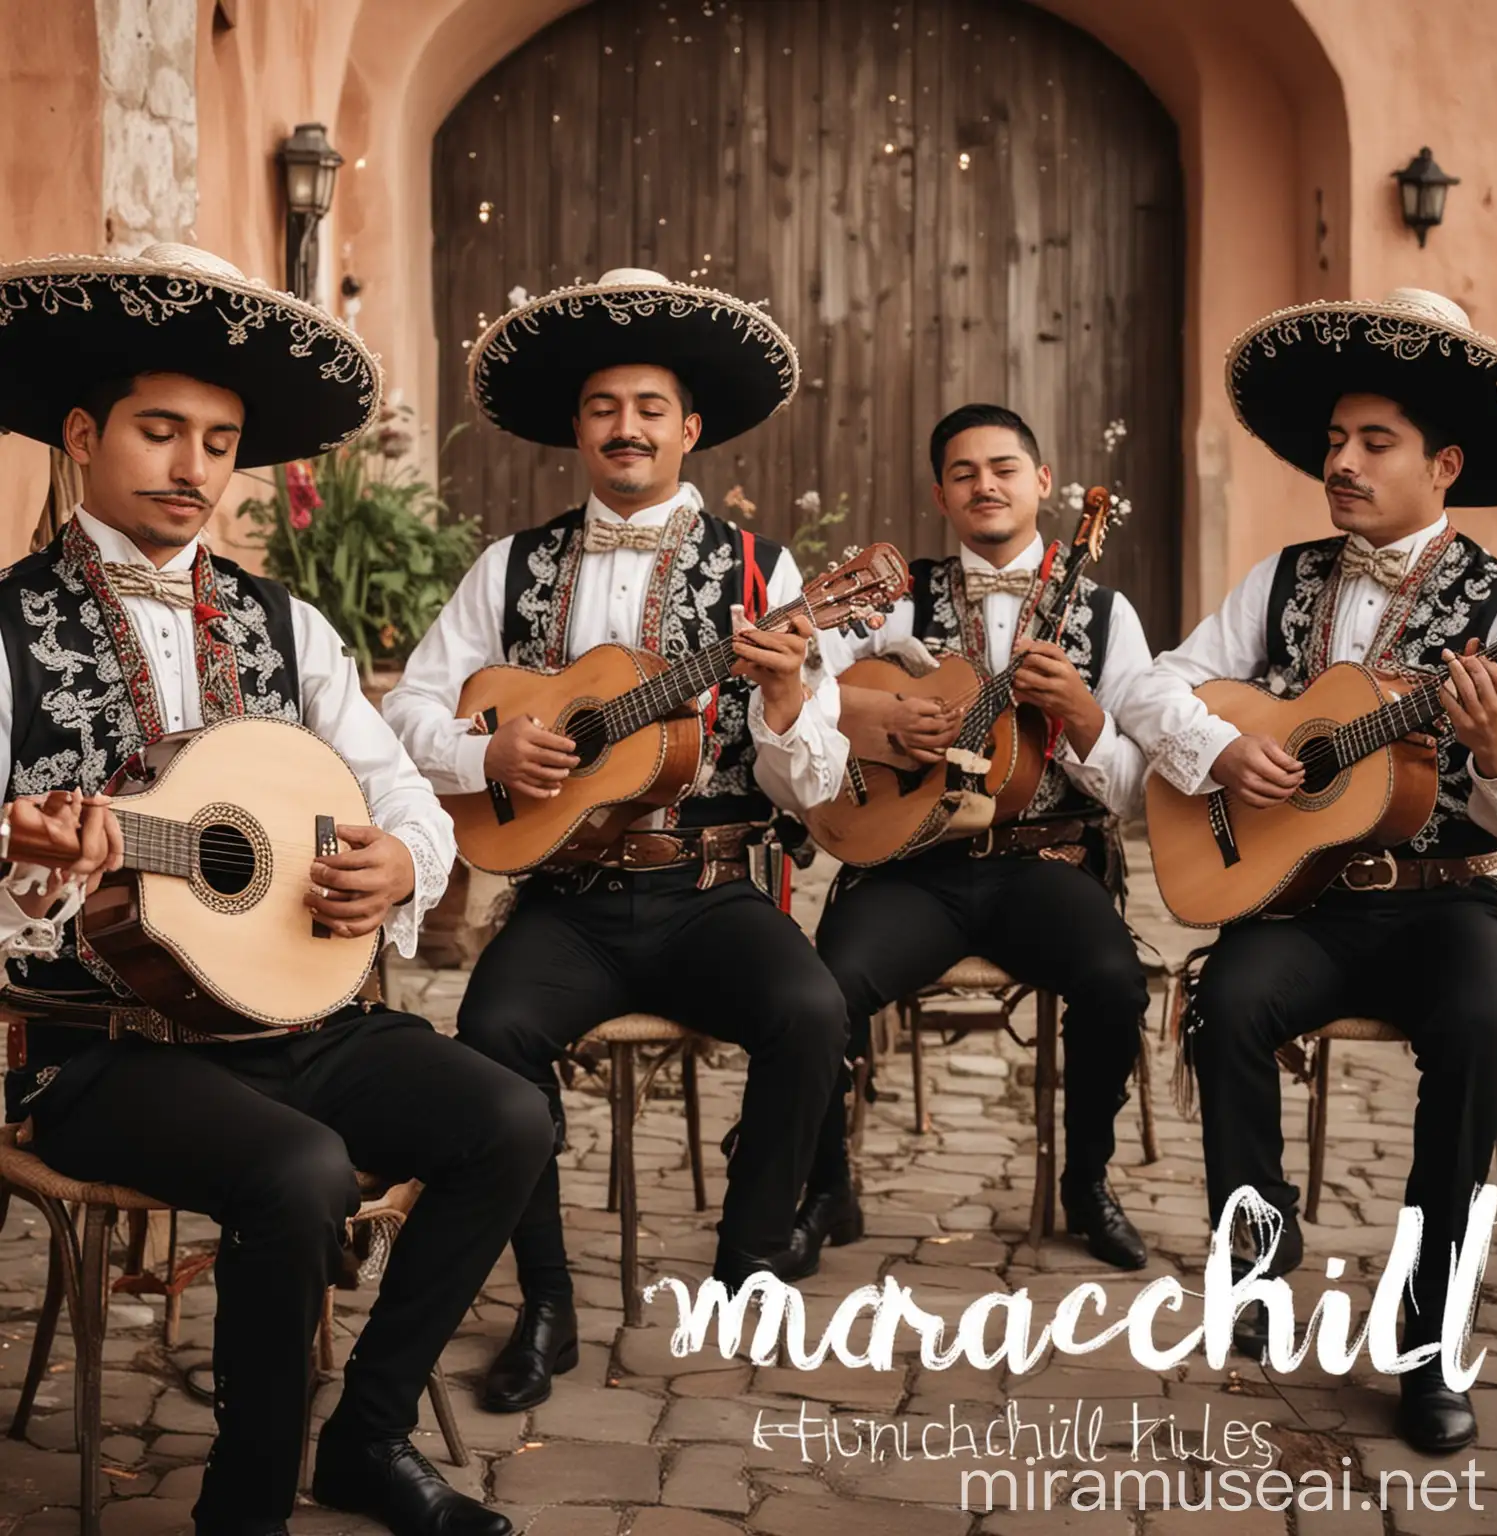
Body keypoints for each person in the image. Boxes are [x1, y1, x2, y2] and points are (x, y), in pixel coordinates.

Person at [0, 243, 553, 1536]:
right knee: (302, 1175)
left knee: (509, 1119)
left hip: (296, 1021)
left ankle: (364, 1440)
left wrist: (403, 860)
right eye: (160, 431)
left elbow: (400, 790)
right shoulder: (3, 633)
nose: (194, 468)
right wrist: (44, 877)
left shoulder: (283, 628)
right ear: (84, 437)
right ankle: (241, 1512)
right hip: (99, 1050)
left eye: (220, 441)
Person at [384, 269, 850, 1414]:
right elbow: (408, 714)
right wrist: (485, 759)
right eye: (604, 408)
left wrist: (786, 704)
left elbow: (820, 778)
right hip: (565, 903)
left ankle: (746, 1262)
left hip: (707, 890)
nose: (627, 427)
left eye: (650, 407)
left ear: (688, 429)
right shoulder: (510, 568)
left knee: (813, 1011)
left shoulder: (766, 576)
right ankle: (546, 1306)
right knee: (489, 1033)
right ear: (577, 431)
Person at [1115, 288, 1497, 1454]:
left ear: (1443, 464)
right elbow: (1152, 683)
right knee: (1229, 996)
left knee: (1475, 1030)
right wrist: (1221, 748)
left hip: (1450, 901)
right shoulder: (1284, 578)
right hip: (1300, 900)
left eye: (1374, 444)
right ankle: (1256, 1243)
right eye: (1335, 442)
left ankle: (1425, 1333)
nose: (1340, 462)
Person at [797, 403, 1154, 1277]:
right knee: (820, 989)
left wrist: (1078, 711)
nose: (984, 485)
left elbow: (1135, 789)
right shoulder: (891, 602)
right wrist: (886, 723)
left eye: (1002, 468)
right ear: (941, 495)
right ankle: (823, 1183)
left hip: (1047, 864)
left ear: (1040, 483)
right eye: (964, 473)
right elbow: (808, 701)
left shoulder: (1105, 615)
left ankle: (1088, 1178)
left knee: (1114, 979)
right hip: (911, 866)